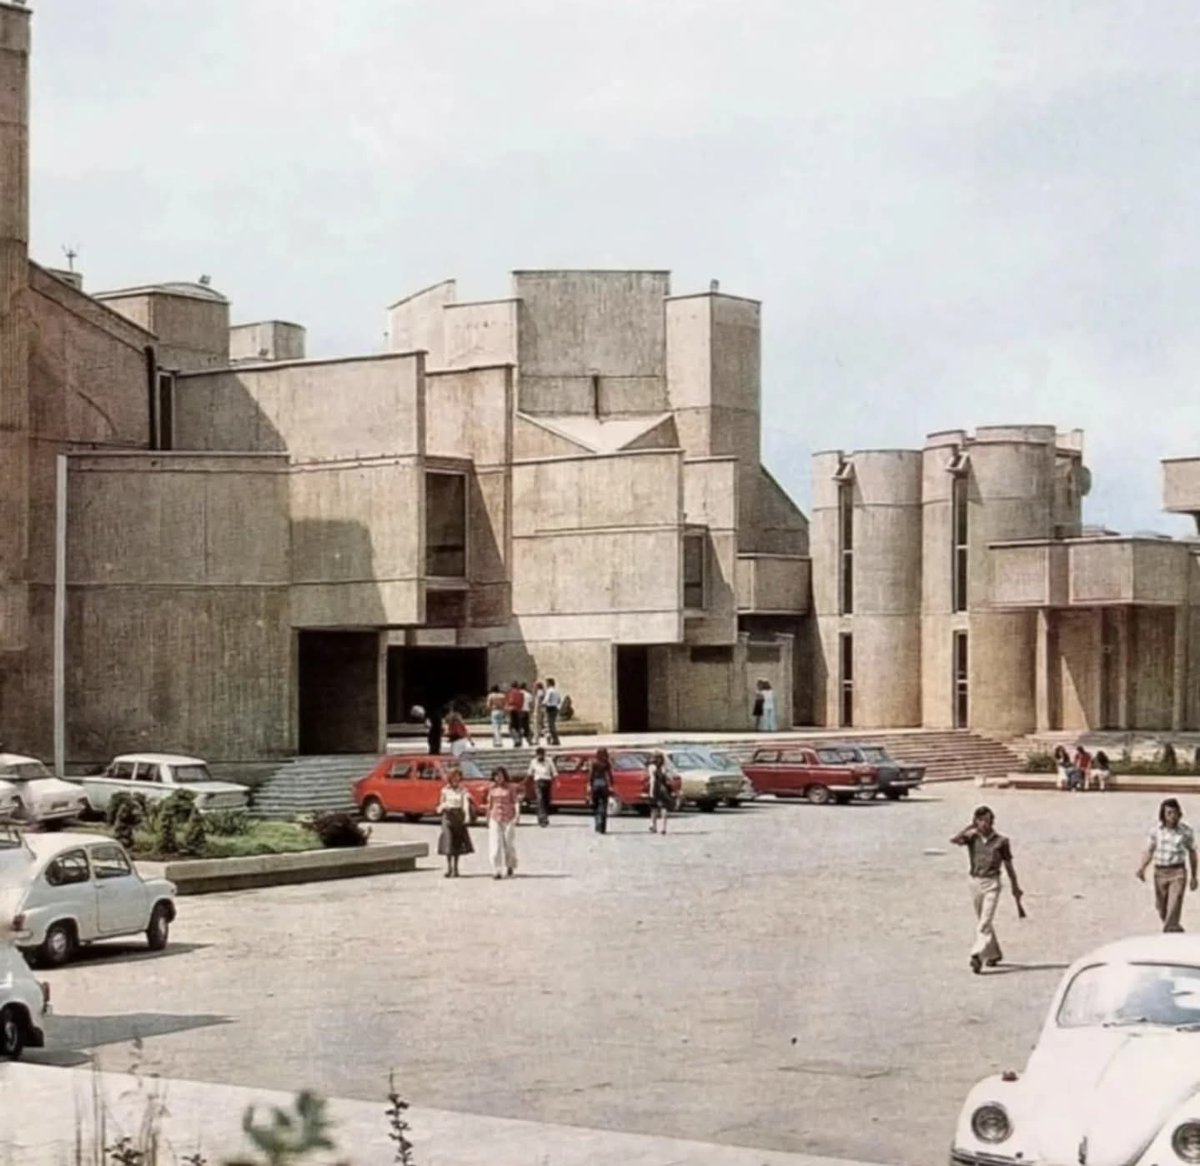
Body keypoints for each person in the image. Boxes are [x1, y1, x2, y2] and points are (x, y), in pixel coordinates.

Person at [951, 806, 1023, 974]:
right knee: (983, 920)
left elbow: (1009, 866)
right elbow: (954, 840)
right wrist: (969, 828)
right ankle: (993, 953)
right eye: (981, 820)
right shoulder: (972, 838)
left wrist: (1015, 886)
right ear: (976, 821)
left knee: (985, 921)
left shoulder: (1001, 841)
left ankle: (977, 955)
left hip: (992, 883)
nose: (985, 824)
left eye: (988, 821)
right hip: (975, 881)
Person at [1137, 798, 1199, 932]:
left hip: (1178, 872)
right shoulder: (1156, 831)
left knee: (1174, 904)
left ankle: (1169, 932)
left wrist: (1194, 876)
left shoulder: (1185, 831)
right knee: (1161, 907)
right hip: (1160, 873)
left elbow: (1192, 853)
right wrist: (1142, 868)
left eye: (1175, 813)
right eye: (1169, 813)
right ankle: (1174, 928)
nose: (1172, 816)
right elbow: (1150, 850)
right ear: (1163, 815)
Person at [435, 769, 474, 878]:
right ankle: (449, 867)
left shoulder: (463, 790)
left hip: (458, 816)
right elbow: (441, 803)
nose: (456, 779)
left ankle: (456, 867)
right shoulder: (445, 790)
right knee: (448, 841)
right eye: (454, 777)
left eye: (458, 777)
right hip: (447, 816)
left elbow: (465, 804)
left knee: (457, 842)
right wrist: (441, 808)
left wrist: (467, 816)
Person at [485, 767, 520, 879]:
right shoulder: (491, 788)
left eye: (500, 775)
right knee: (495, 844)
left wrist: (518, 815)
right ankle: (497, 869)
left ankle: (510, 865)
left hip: (508, 817)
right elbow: (489, 804)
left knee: (509, 844)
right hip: (495, 817)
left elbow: (515, 802)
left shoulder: (510, 788)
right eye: (496, 776)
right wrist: (487, 818)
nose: (498, 778)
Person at [588, 748, 615, 835]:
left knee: (595, 806)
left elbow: (591, 775)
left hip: (595, 785)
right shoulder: (606, 763)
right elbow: (610, 775)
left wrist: (589, 785)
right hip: (604, 785)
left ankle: (597, 824)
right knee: (604, 805)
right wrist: (611, 785)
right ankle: (603, 827)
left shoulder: (594, 762)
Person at [528, 746, 557, 827]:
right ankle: (543, 819)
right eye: (539, 755)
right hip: (538, 782)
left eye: (542, 755)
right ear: (536, 755)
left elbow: (554, 771)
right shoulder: (533, 762)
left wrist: (555, 780)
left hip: (547, 781)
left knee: (546, 801)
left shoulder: (549, 760)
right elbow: (530, 772)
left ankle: (544, 817)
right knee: (540, 800)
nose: (540, 757)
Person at [646, 750, 672, 835]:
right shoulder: (664, 767)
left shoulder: (652, 767)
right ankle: (663, 828)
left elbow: (652, 780)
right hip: (664, 789)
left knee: (654, 808)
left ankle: (653, 826)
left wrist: (651, 792)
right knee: (664, 808)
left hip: (655, 788)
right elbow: (669, 778)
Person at [543, 677, 563, 745]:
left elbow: (546, 700)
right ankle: (554, 739)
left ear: (549, 683)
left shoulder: (549, 691)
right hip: (555, 708)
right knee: (552, 724)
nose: (546, 684)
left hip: (550, 708)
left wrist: (543, 704)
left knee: (550, 725)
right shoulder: (556, 691)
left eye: (546, 683)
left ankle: (555, 740)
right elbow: (559, 700)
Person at [505, 681, 523, 747]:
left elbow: (511, 701)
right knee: (518, 726)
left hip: (512, 710)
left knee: (511, 727)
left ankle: (516, 740)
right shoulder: (520, 693)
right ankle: (520, 741)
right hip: (519, 710)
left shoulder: (511, 693)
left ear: (511, 686)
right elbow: (521, 702)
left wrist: (507, 707)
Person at [519, 681, 535, 745]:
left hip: (520, 711)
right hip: (526, 711)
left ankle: (519, 741)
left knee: (519, 726)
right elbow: (531, 704)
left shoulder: (518, 693)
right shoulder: (528, 694)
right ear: (525, 687)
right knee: (527, 727)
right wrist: (531, 711)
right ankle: (529, 741)